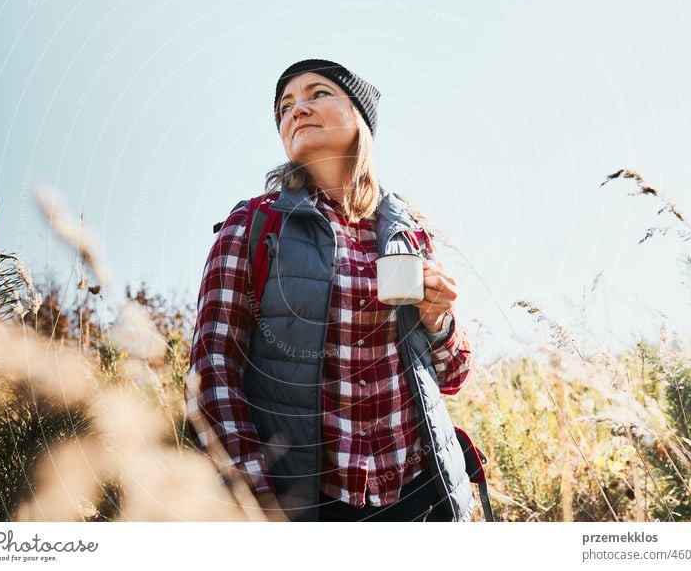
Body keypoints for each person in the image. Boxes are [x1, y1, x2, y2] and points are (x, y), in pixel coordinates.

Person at [185, 59, 475, 522]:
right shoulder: (252, 226)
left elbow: (454, 376)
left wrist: (438, 320)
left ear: (359, 115)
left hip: (424, 497)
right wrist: (257, 501)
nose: (297, 109)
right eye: (285, 106)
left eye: (317, 94)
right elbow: (213, 375)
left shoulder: (409, 233)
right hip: (312, 506)